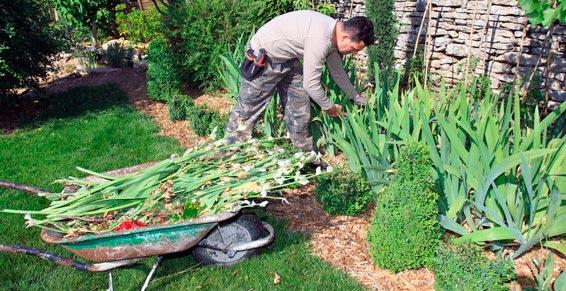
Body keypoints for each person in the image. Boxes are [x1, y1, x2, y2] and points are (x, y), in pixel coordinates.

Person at [224, 10, 375, 152]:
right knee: (248, 108)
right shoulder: (321, 39)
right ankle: (231, 150)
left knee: (299, 105)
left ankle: (303, 153)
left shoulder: (333, 33)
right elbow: (311, 85)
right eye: (354, 48)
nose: (354, 53)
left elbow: (337, 71)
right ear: (346, 37)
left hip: (288, 58)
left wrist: (356, 98)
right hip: (265, 57)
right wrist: (329, 107)